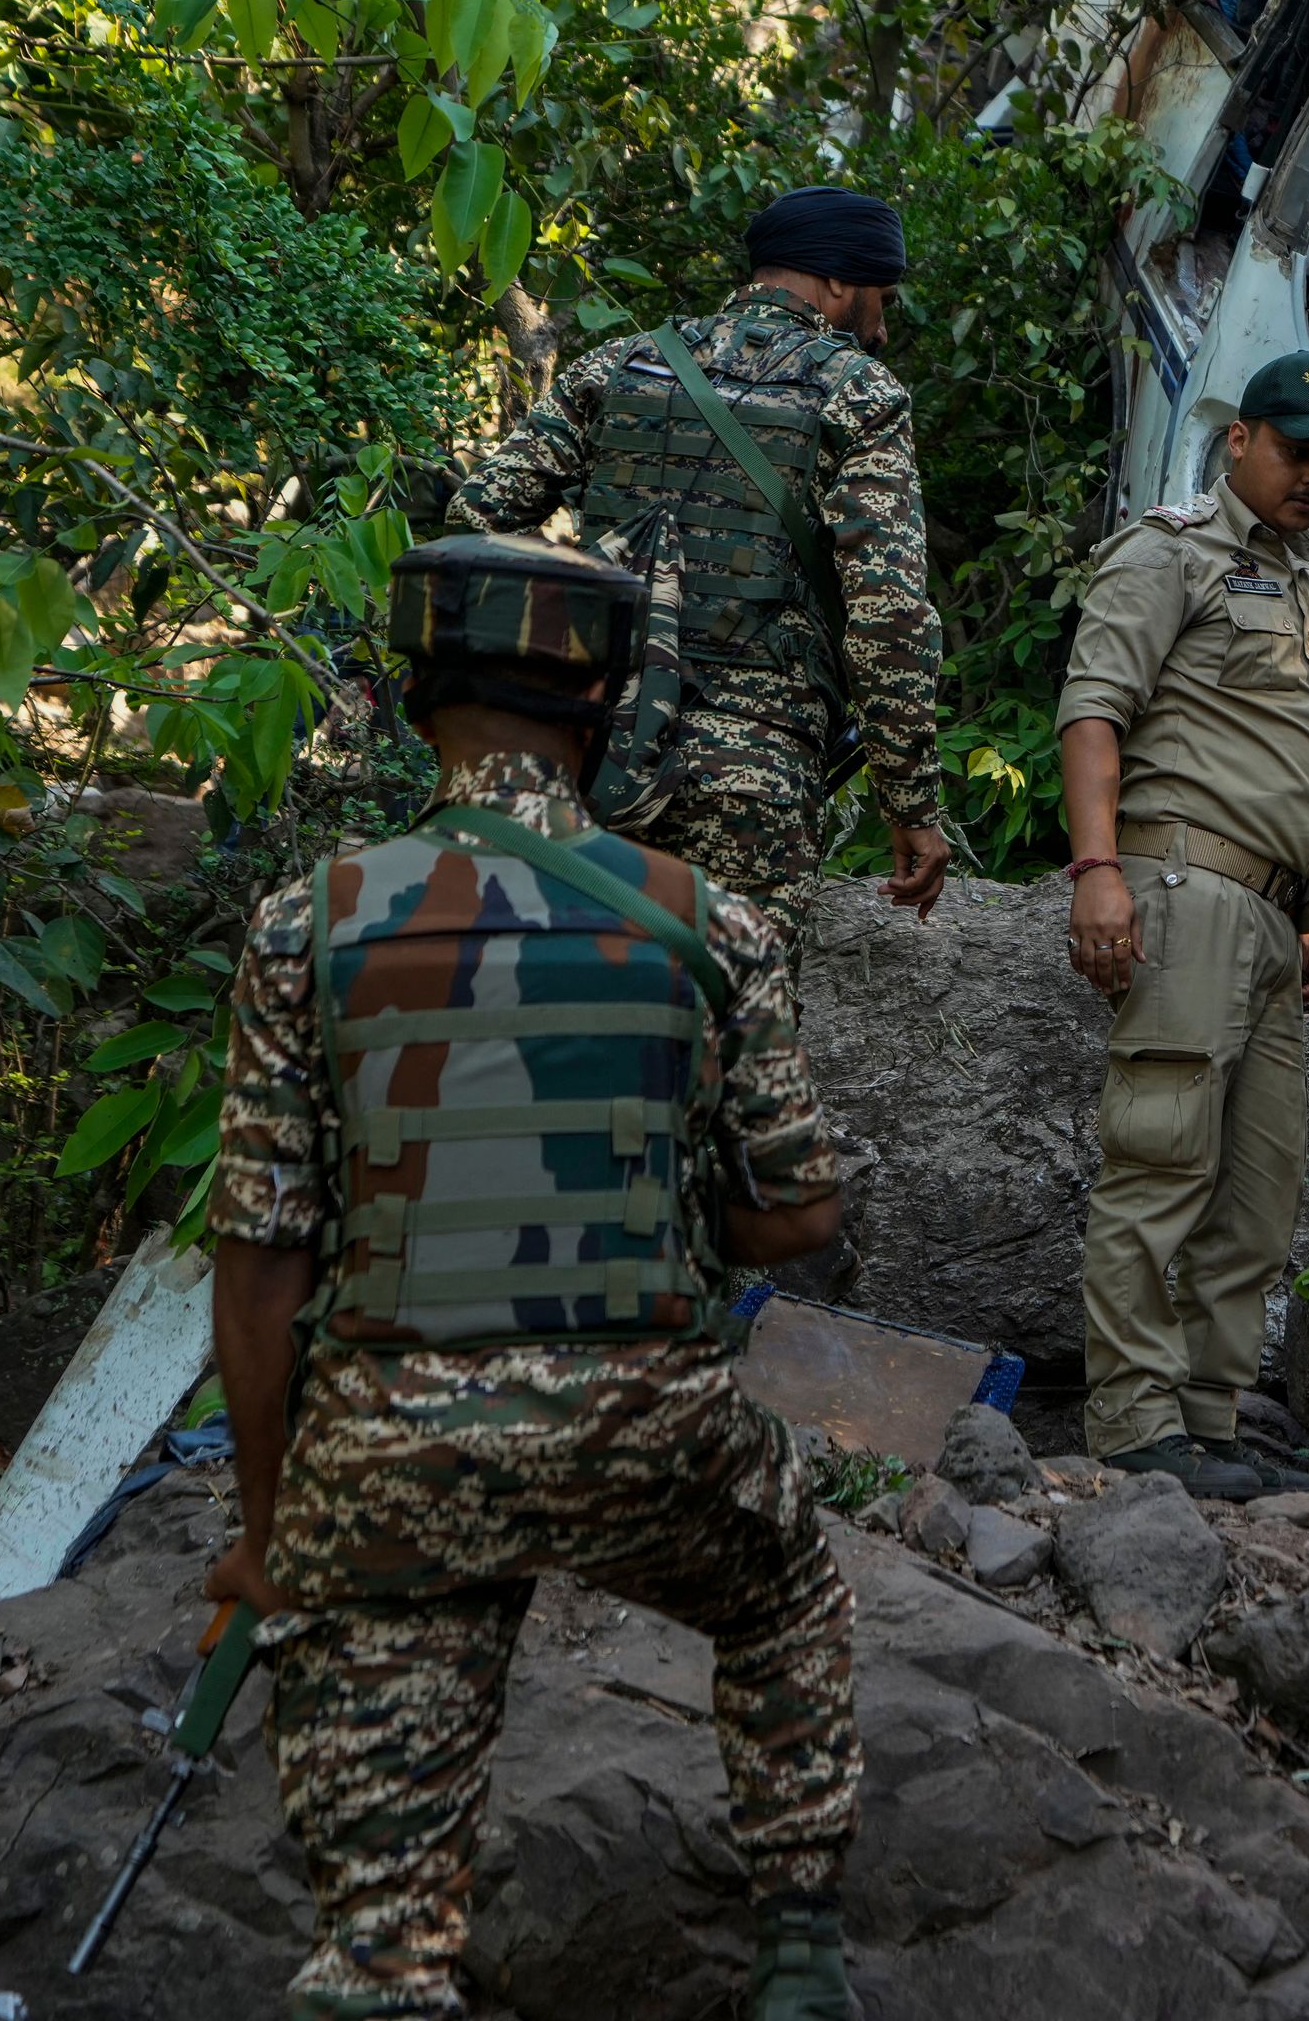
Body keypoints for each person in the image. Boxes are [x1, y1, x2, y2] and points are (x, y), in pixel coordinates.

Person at [204, 533, 860, 2021]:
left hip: (391, 1460)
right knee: (786, 1600)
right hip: (652, 1437)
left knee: (379, 1927)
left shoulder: (307, 926)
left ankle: (384, 1961)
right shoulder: (711, 924)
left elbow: (260, 1265)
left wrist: (269, 1539)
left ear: (415, 699)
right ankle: (801, 1956)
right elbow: (797, 1217)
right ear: (604, 709)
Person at [449, 182, 951, 958]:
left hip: (595, 760)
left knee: (584, 1010)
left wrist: (559, 673)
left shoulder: (621, 363)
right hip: (753, 777)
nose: (880, 328)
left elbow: (476, 517)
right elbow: (888, 617)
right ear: (839, 283)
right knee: (728, 1031)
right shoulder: (859, 393)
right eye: (881, 299)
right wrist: (911, 803)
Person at [1053, 353, 1309, 1502]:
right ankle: (1133, 1424)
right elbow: (1094, 711)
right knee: (1160, 1156)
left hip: (1275, 920)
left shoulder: (1299, 588)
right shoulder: (1167, 552)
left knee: (1258, 1188)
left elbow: (1296, 765)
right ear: (1238, 440)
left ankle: (1208, 1416)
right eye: (1296, 450)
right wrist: (1097, 870)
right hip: (1180, 887)